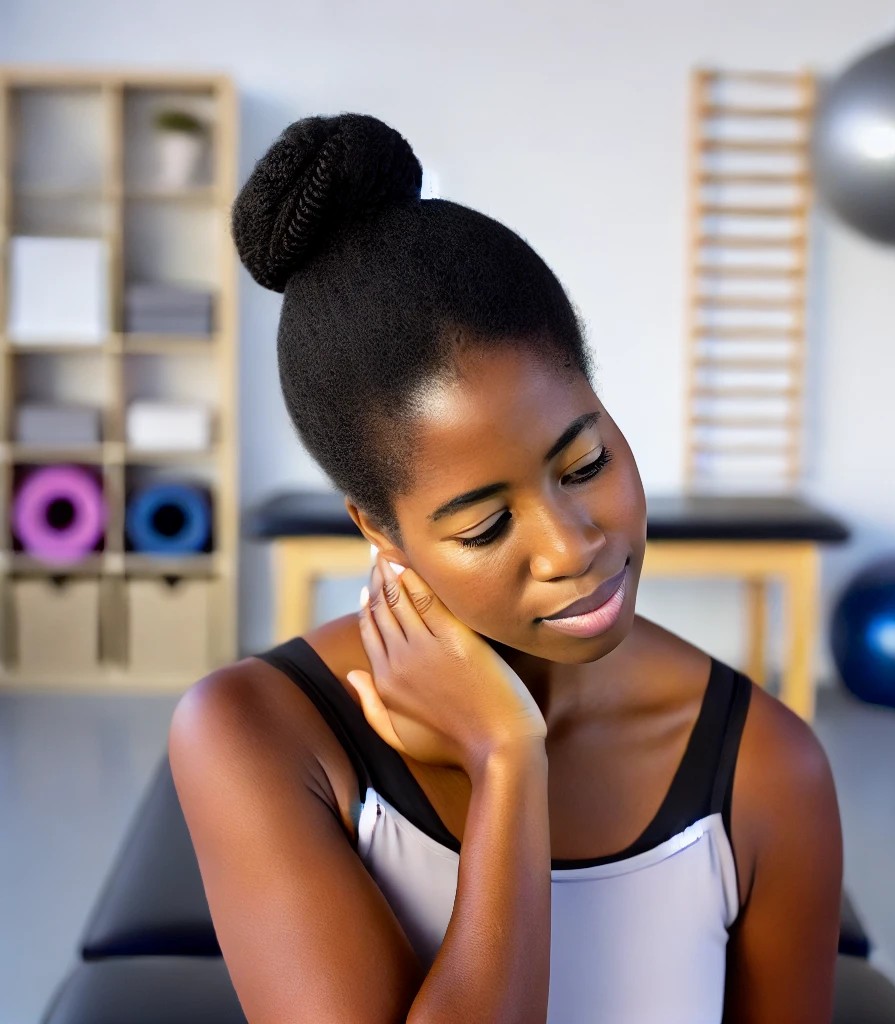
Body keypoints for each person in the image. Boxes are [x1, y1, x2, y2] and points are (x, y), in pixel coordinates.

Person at [168, 112, 843, 1024]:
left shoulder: (768, 766)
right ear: (382, 532)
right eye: (486, 526)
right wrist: (506, 763)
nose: (575, 547)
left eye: (587, 464)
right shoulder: (256, 734)